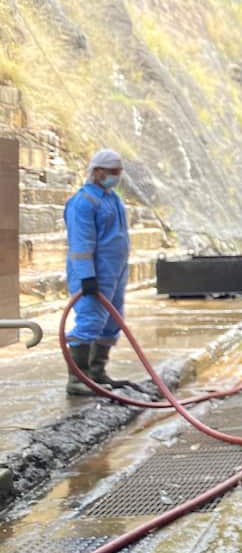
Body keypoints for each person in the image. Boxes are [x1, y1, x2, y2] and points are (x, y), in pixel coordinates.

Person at [64, 149, 132, 396]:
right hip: (95, 274)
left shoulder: (112, 198)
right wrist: (87, 276)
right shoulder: (83, 202)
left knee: (112, 322)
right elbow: (81, 242)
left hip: (115, 273)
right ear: (98, 171)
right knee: (90, 321)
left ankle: (97, 372)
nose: (116, 177)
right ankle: (77, 378)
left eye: (119, 172)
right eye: (112, 172)